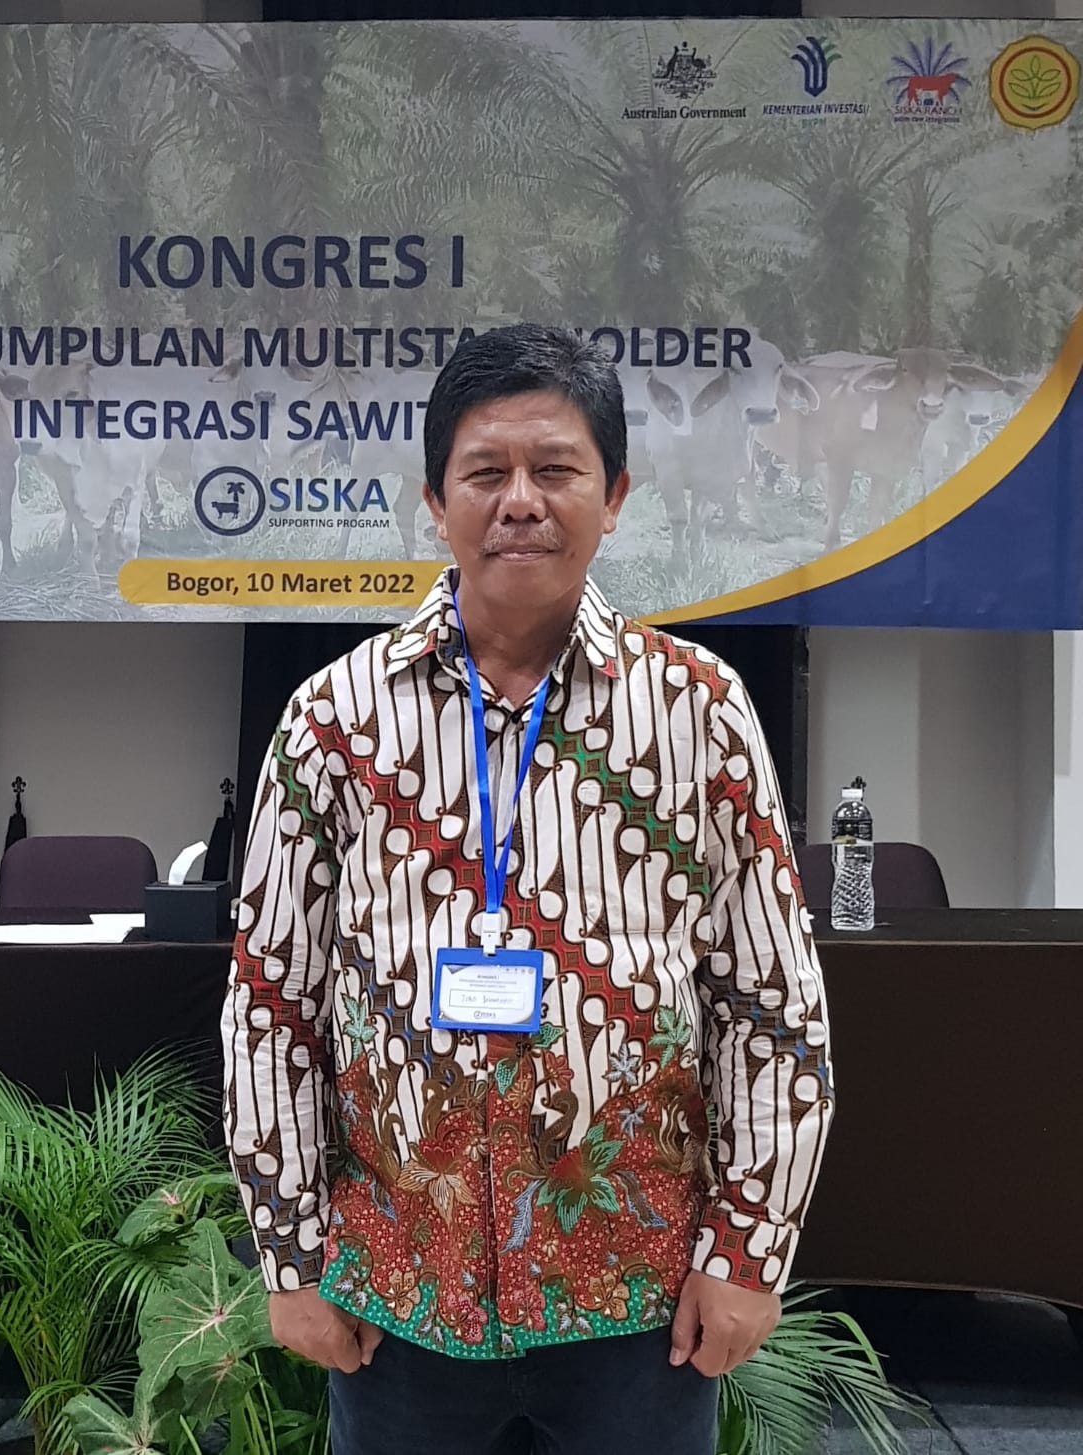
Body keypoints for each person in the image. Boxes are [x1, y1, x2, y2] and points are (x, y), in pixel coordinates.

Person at [220, 323, 833, 1454]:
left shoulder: (698, 712)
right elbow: (271, 1004)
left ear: (615, 496)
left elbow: (772, 1009)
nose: (520, 501)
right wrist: (290, 1256)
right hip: (398, 1289)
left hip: (639, 1294)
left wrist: (747, 1255)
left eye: (555, 470)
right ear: (433, 500)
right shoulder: (332, 721)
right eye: (485, 473)